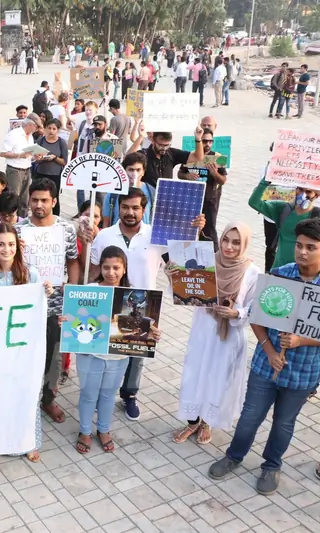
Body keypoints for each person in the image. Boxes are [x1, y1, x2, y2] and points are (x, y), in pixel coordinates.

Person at [209, 218, 320, 495]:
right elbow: (257, 318)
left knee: (284, 422)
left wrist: (300, 340)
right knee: (250, 416)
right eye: (299, 245)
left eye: (311, 247)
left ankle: (272, 465)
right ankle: (234, 455)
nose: (302, 252)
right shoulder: (280, 274)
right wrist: (270, 350)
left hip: (304, 371)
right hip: (265, 364)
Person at [91, 188, 205, 419]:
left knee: (137, 356)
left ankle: (129, 395)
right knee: (105, 352)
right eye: (125, 207)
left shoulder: (157, 236)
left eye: (135, 208)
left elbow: (180, 259)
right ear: (117, 208)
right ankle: (102, 394)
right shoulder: (104, 236)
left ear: (144, 209)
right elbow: (93, 270)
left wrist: (196, 232)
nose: (130, 212)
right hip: (109, 300)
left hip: (142, 304)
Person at [171, 222, 260, 446]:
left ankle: (207, 422)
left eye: (236, 242)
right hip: (203, 329)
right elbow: (188, 290)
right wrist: (176, 274)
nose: (229, 246)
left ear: (245, 244)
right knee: (196, 373)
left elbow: (255, 307)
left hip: (229, 336)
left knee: (219, 378)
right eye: (225, 240)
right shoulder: (205, 261)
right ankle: (192, 421)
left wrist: (236, 313)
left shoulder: (252, 272)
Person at [0, 224, 54, 462]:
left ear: (17, 247)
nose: (6, 249)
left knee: (23, 393)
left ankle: (26, 441)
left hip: (22, 347)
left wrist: (45, 292)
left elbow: (38, 307)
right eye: (0, 244)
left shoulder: (30, 274)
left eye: (10, 244)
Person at [71, 246, 161, 454]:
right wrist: (66, 320)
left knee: (108, 394)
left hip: (118, 356)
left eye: (116, 268)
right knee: (88, 393)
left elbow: (143, 326)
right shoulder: (90, 290)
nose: (111, 273)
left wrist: (152, 333)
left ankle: (103, 429)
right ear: (100, 268)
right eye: (106, 267)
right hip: (90, 355)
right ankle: (85, 431)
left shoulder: (135, 296)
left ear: (124, 268)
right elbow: (75, 318)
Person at [13, 178, 79, 425]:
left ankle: (48, 399)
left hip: (56, 305)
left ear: (54, 201)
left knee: (53, 356)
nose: (38, 205)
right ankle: (23, 397)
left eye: (44, 200)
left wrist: (71, 293)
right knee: (24, 353)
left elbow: (73, 260)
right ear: (28, 201)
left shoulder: (66, 229)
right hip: (25, 305)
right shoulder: (19, 231)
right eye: (34, 200)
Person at [248, 173, 320, 269]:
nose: (303, 195)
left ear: (316, 196)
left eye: (308, 192)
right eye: (300, 189)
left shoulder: (317, 216)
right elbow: (254, 203)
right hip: (280, 270)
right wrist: (265, 181)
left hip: (306, 273)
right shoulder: (283, 209)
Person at [177, 128, 228, 249]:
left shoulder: (218, 157)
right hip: (191, 199)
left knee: (210, 230)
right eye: (205, 141)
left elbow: (223, 180)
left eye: (210, 141)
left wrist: (215, 173)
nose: (208, 144)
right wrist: (187, 176)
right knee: (190, 227)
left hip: (210, 200)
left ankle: (214, 256)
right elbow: (180, 174)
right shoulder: (191, 156)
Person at [0, 118, 36, 217]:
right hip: (15, 170)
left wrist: (35, 157)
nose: (36, 129)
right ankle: (11, 219)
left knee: (25, 199)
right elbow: (3, 153)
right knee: (13, 198)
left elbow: (28, 155)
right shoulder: (14, 134)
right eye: (36, 126)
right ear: (29, 125)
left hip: (27, 169)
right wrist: (19, 155)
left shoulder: (31, 136)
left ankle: (22, 220)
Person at [33, 119, 69, 216]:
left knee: (54, 197)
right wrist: (39, 158)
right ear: (45, 129)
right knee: (39, 196)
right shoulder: (40, 141)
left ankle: (55, 217)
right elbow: (35, 159)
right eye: (49, 128)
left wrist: (55, 158)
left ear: (58, 130)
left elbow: (65, 161)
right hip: (41, 173)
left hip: (55, 175)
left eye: (54, 129)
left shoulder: (61, 143)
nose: (51, 131)